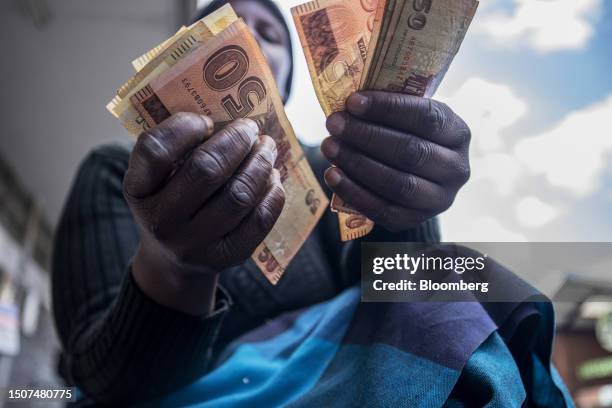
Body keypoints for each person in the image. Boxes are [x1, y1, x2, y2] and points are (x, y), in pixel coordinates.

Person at [52, 0, 570, 406]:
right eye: (225, 23)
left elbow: (401, 296)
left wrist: (406, 207)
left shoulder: (331, 166)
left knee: (456, 273)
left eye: (270, 33)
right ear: (180, 55)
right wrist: (172, 267)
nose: (248, 35)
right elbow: (101, 378)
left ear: (286, 73)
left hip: (350, 386)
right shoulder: (113, 169)